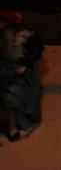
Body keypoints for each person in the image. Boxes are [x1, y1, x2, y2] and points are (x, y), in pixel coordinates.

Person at [0, 10, 43, 141]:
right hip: (4, 73)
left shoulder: (26, 36)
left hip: (18, 78)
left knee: (11, 98)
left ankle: (13, 127)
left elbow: (33, 55)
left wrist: (23, 67)